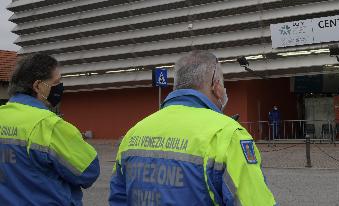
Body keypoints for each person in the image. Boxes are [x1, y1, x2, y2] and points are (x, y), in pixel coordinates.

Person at [109, 50, 276, 205]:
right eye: (223, 85)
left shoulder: (134, 132)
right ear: (216, 86)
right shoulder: (227, 134)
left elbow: (118, 198)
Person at [0, 53, 100, 205]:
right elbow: (88, 172)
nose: (60, 87)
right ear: (38, 86)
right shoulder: (48, 125)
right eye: (57, 82)